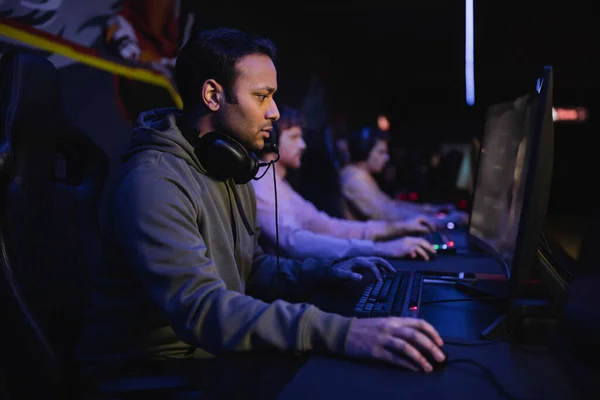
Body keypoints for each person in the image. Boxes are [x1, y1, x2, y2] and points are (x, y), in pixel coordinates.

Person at [77, 28, 446, 392]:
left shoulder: (227, 167)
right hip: (147, 373)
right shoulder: (154, 182)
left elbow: (252, 268)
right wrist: (342, 331)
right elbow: (203, 310)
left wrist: (327, 272)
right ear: (212, 95)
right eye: (262, 96)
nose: (274, 111)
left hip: (205, 356)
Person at [252, 107, 437, 261]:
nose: (303, 145)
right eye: (294, 137)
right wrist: (378, 248)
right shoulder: (260, 183)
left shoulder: (281, 185)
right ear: (272, 139)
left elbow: (328, 226)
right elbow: (293, 242)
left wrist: (395, 230)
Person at [340, 126, 469, 227]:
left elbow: (391, 206)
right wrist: (440, 221)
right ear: (364, 151)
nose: (386, 158)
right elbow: (386, 215)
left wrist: (430, 210)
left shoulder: (361, 175)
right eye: (381, 152)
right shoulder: (353, 179)